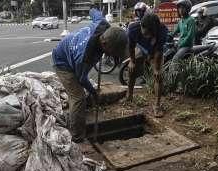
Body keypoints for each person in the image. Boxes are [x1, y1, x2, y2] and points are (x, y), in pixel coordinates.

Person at [52, 8, 128, 142]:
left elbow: (93, 11)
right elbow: (81, 79)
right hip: (62, 62)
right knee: (78, 97)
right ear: (104, 44)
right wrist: (93, 92)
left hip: (72, 55)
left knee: (77, 96)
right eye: (113, 51)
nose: (113, 55)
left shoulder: (102, 23)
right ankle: (77, 137)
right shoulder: (85, 57)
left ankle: (74, 120)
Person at [127, 13, 168, 118]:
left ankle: (157, 106)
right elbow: (131, 47)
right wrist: (132, 61)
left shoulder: (162, 30)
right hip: (141, 49)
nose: (147, 36)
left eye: (149, 34)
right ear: (141, 25)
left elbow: (159, 52)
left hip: (154, 52)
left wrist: (157, 69)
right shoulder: (132, 29)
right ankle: (129, 96)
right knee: (132, 69)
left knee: (158, 77)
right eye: (145, 33)